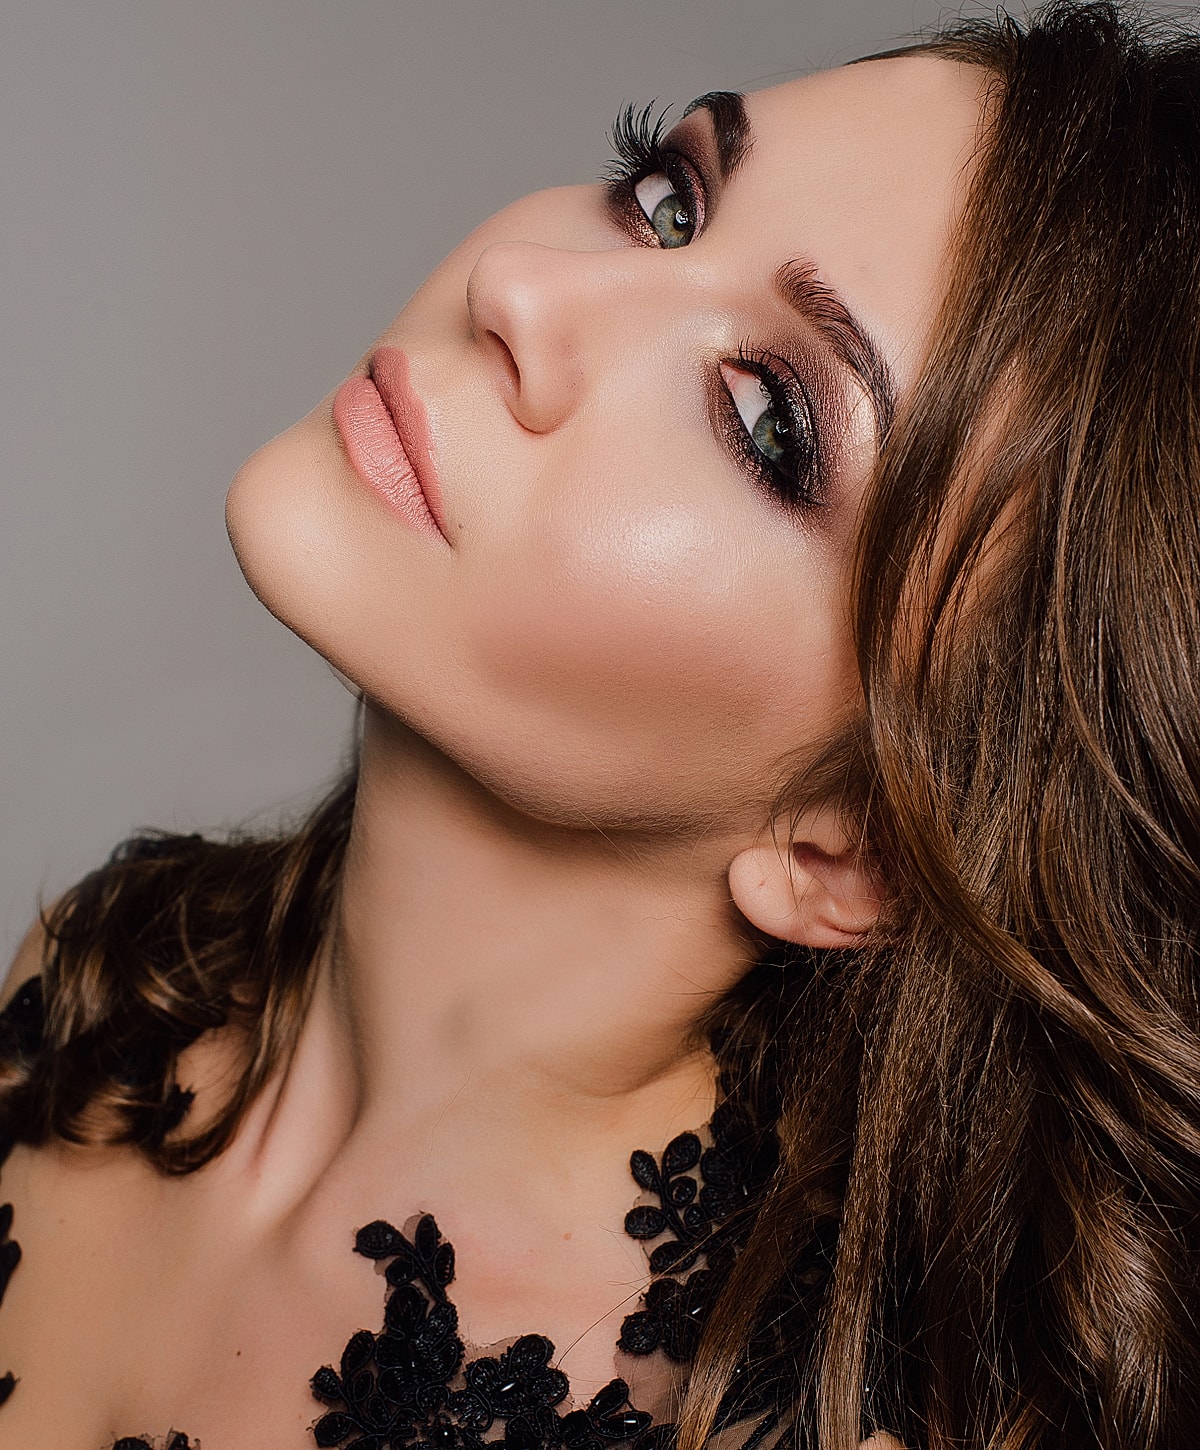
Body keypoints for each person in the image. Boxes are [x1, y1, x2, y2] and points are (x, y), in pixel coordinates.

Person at [1, 2, 1197, 1445]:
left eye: (766, 420)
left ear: (858, 845)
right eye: (665, 198)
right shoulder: (101, 984)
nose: (521, 286)